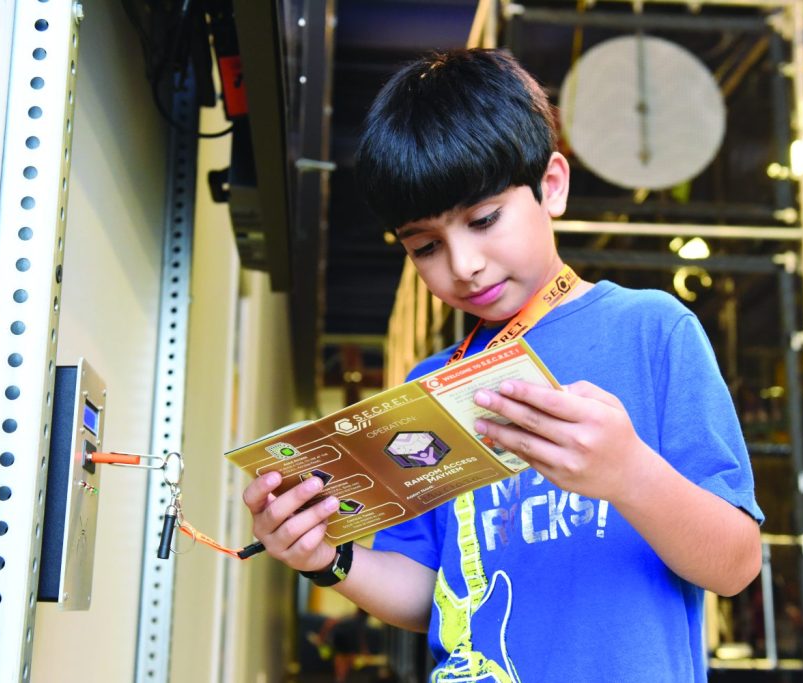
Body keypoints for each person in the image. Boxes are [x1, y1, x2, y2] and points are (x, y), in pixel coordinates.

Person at [243, 48, 763, 681]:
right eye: (426, 246)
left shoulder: (651, 330)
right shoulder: (428, 386)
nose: (462, 265)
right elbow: (433, 594)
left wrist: (628, 474)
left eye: (484, 219)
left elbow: (736, 565)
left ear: (552, 186)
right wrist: (328, 560)